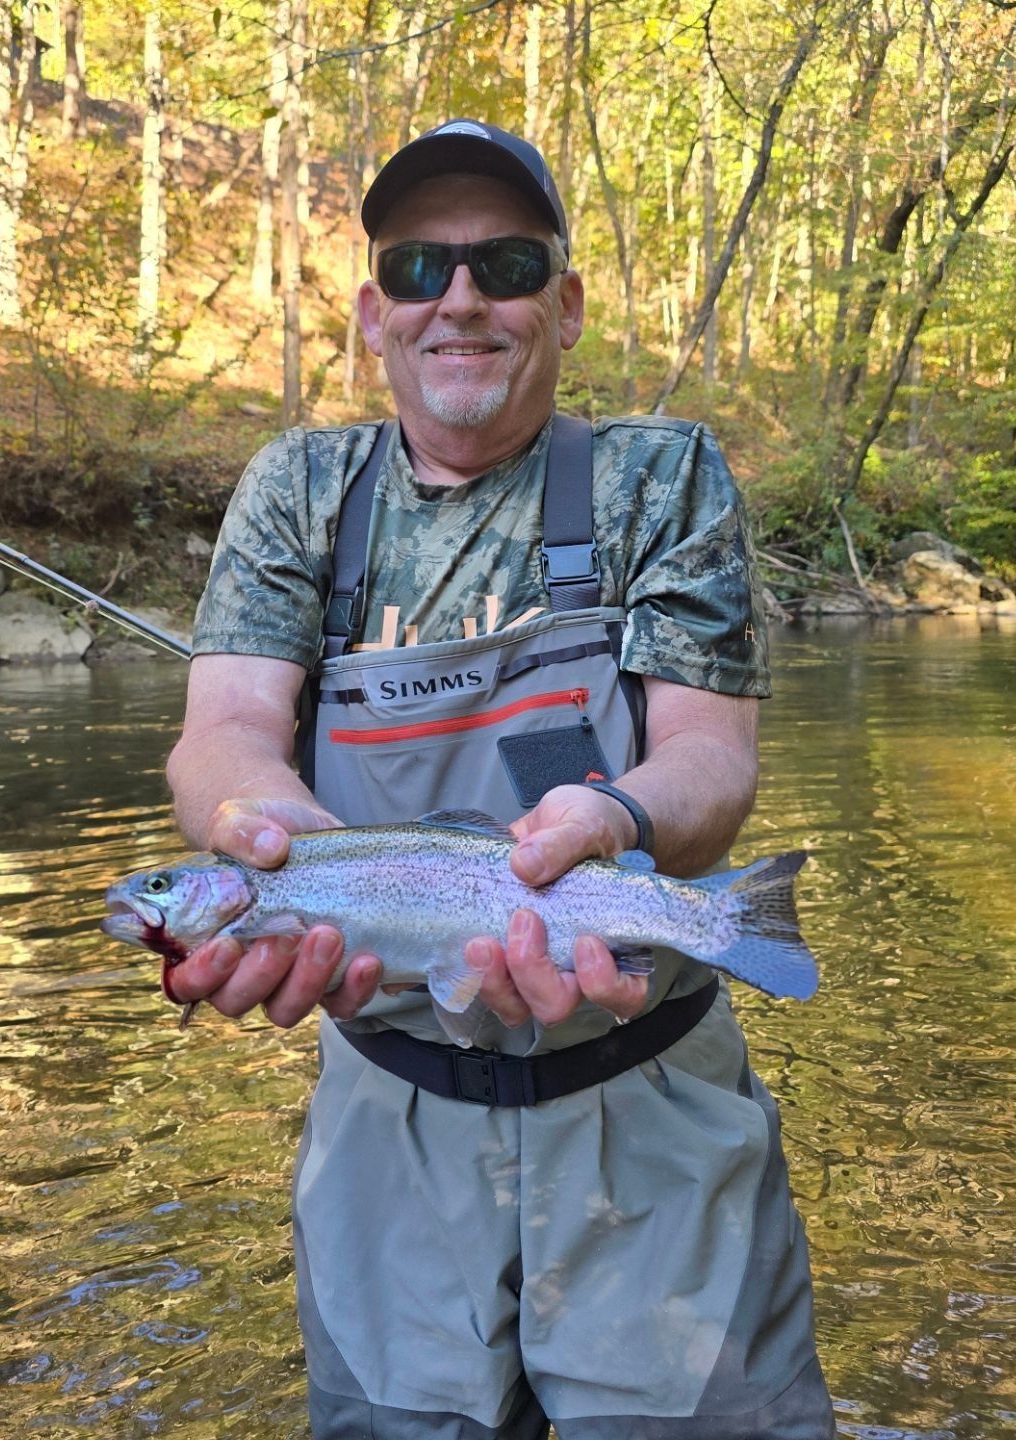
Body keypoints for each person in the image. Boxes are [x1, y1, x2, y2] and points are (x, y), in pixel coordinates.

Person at [165, 118, 835, 1439]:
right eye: (420, 269)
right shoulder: (300, 488)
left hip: (647, 1108)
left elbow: (709, 757)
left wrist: (617, 815)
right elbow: (225, 732)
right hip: (388, 1115)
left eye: (505, 262)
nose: (458, 299)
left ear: (566, 303)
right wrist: (261, 827)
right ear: (372, 311)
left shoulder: (659, 476)